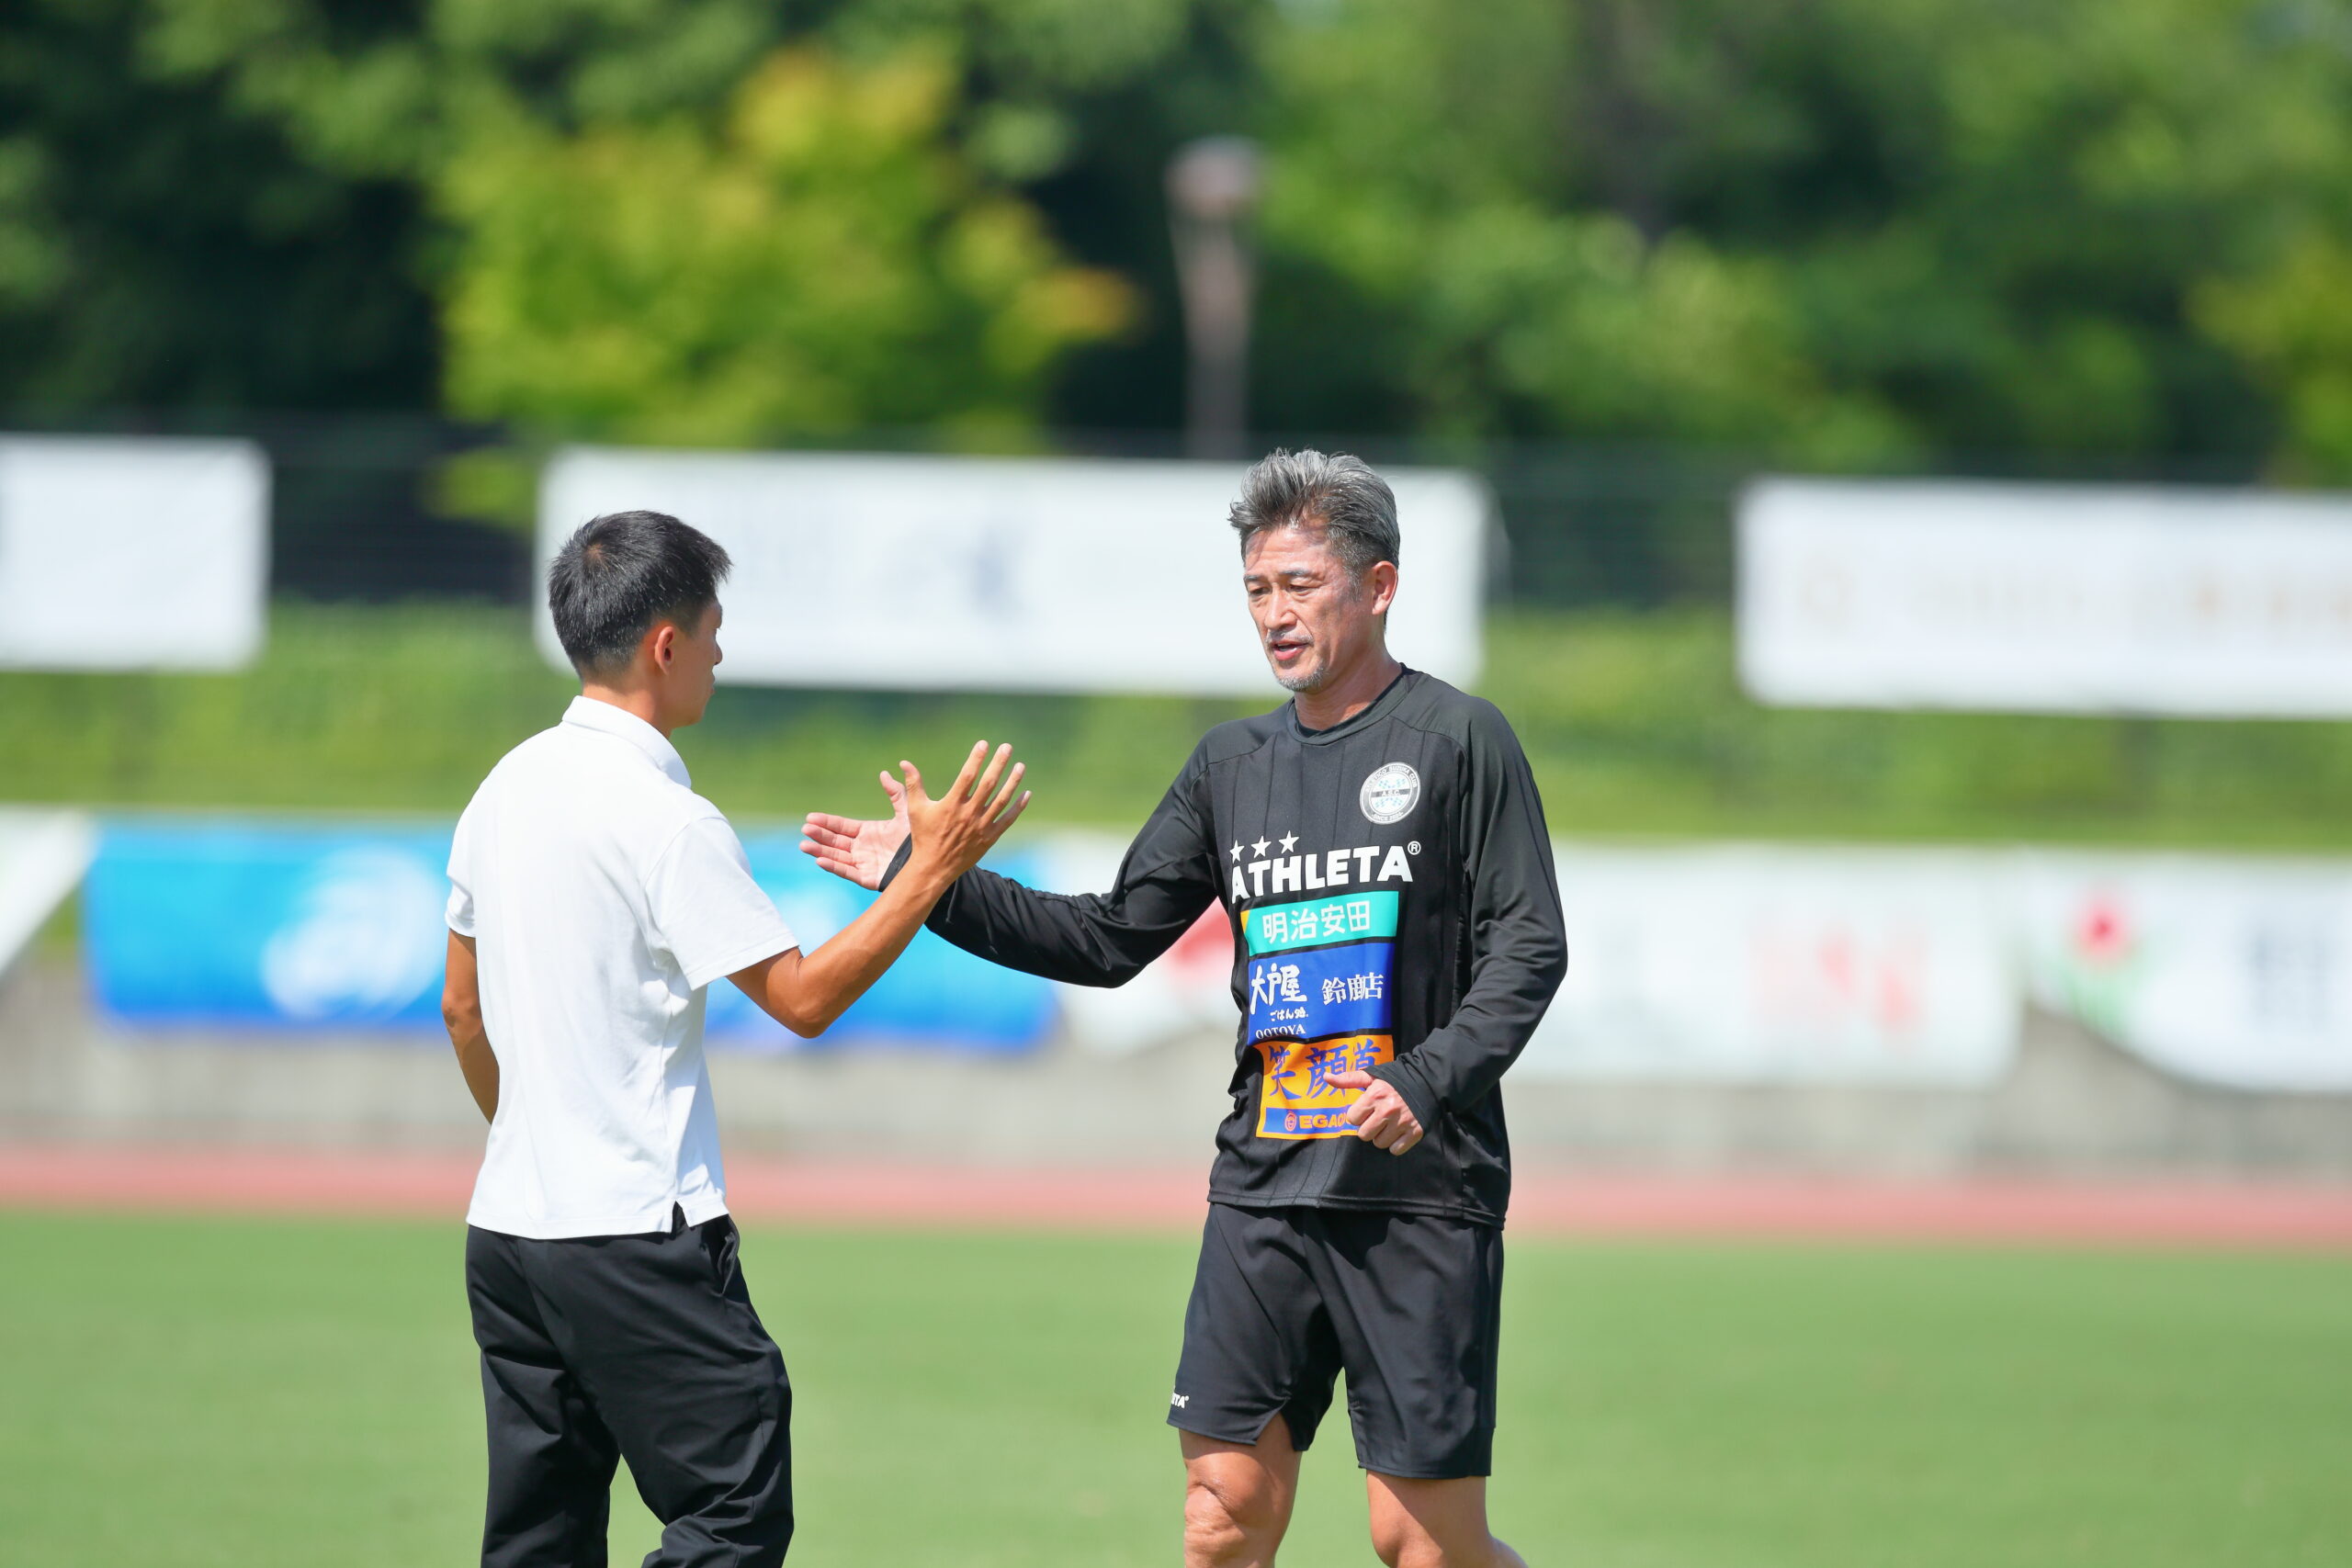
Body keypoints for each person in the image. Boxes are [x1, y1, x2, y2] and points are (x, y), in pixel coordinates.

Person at [800, 451, 1567, 1568]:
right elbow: (1107, 940)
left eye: (1300, 584)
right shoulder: (1230, 765)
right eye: (1257, 589)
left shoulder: (1459, 740)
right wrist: (924, 883)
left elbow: (1529, 947)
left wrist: (1424, 1079)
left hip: (1416, 1199)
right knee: (1220, 1516)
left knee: (1420, 1542)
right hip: (1261, 1186)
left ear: (1379, 586)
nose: (1275, 613)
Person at [440, 509, 1028, 1568]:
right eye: (713, 631)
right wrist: (932, 871)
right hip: (633, 1229)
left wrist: (535, 1137)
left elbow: (462, 1010)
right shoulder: (665, 819)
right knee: (732, 1508)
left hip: (509, 1231)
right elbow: (801, 998)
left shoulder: (503, 787)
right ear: (665, 645)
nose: (720, 653)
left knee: (539, 1538)